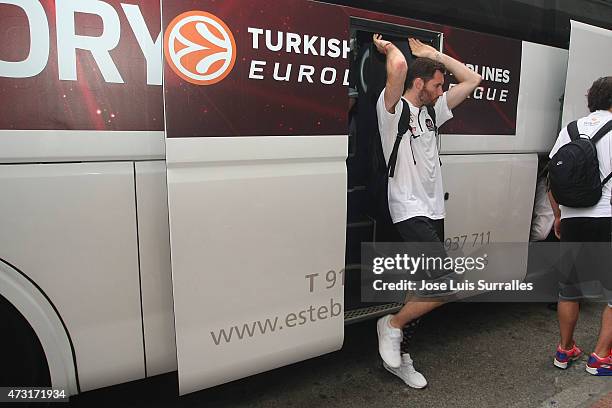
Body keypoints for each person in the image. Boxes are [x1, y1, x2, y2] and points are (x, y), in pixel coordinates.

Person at [372, 34, 482, 387]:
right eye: (436, 85)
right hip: (408, 207)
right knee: (448, 282)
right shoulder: (392, 112)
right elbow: (402, 67)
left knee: (421, 283)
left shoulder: (433, 111)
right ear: (418, 84)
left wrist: (435, 55)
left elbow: (473, 80)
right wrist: (389, 49)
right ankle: (391, 325)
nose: (440, 91)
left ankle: (401, 356)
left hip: (433, 209)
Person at [548, 76, 612, 376]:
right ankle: (599, 358)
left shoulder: (570, 130)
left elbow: (552, 179)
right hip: (606, 218)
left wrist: (559, 216)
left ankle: (565, 349)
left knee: (568, 290)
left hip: (573, 218)